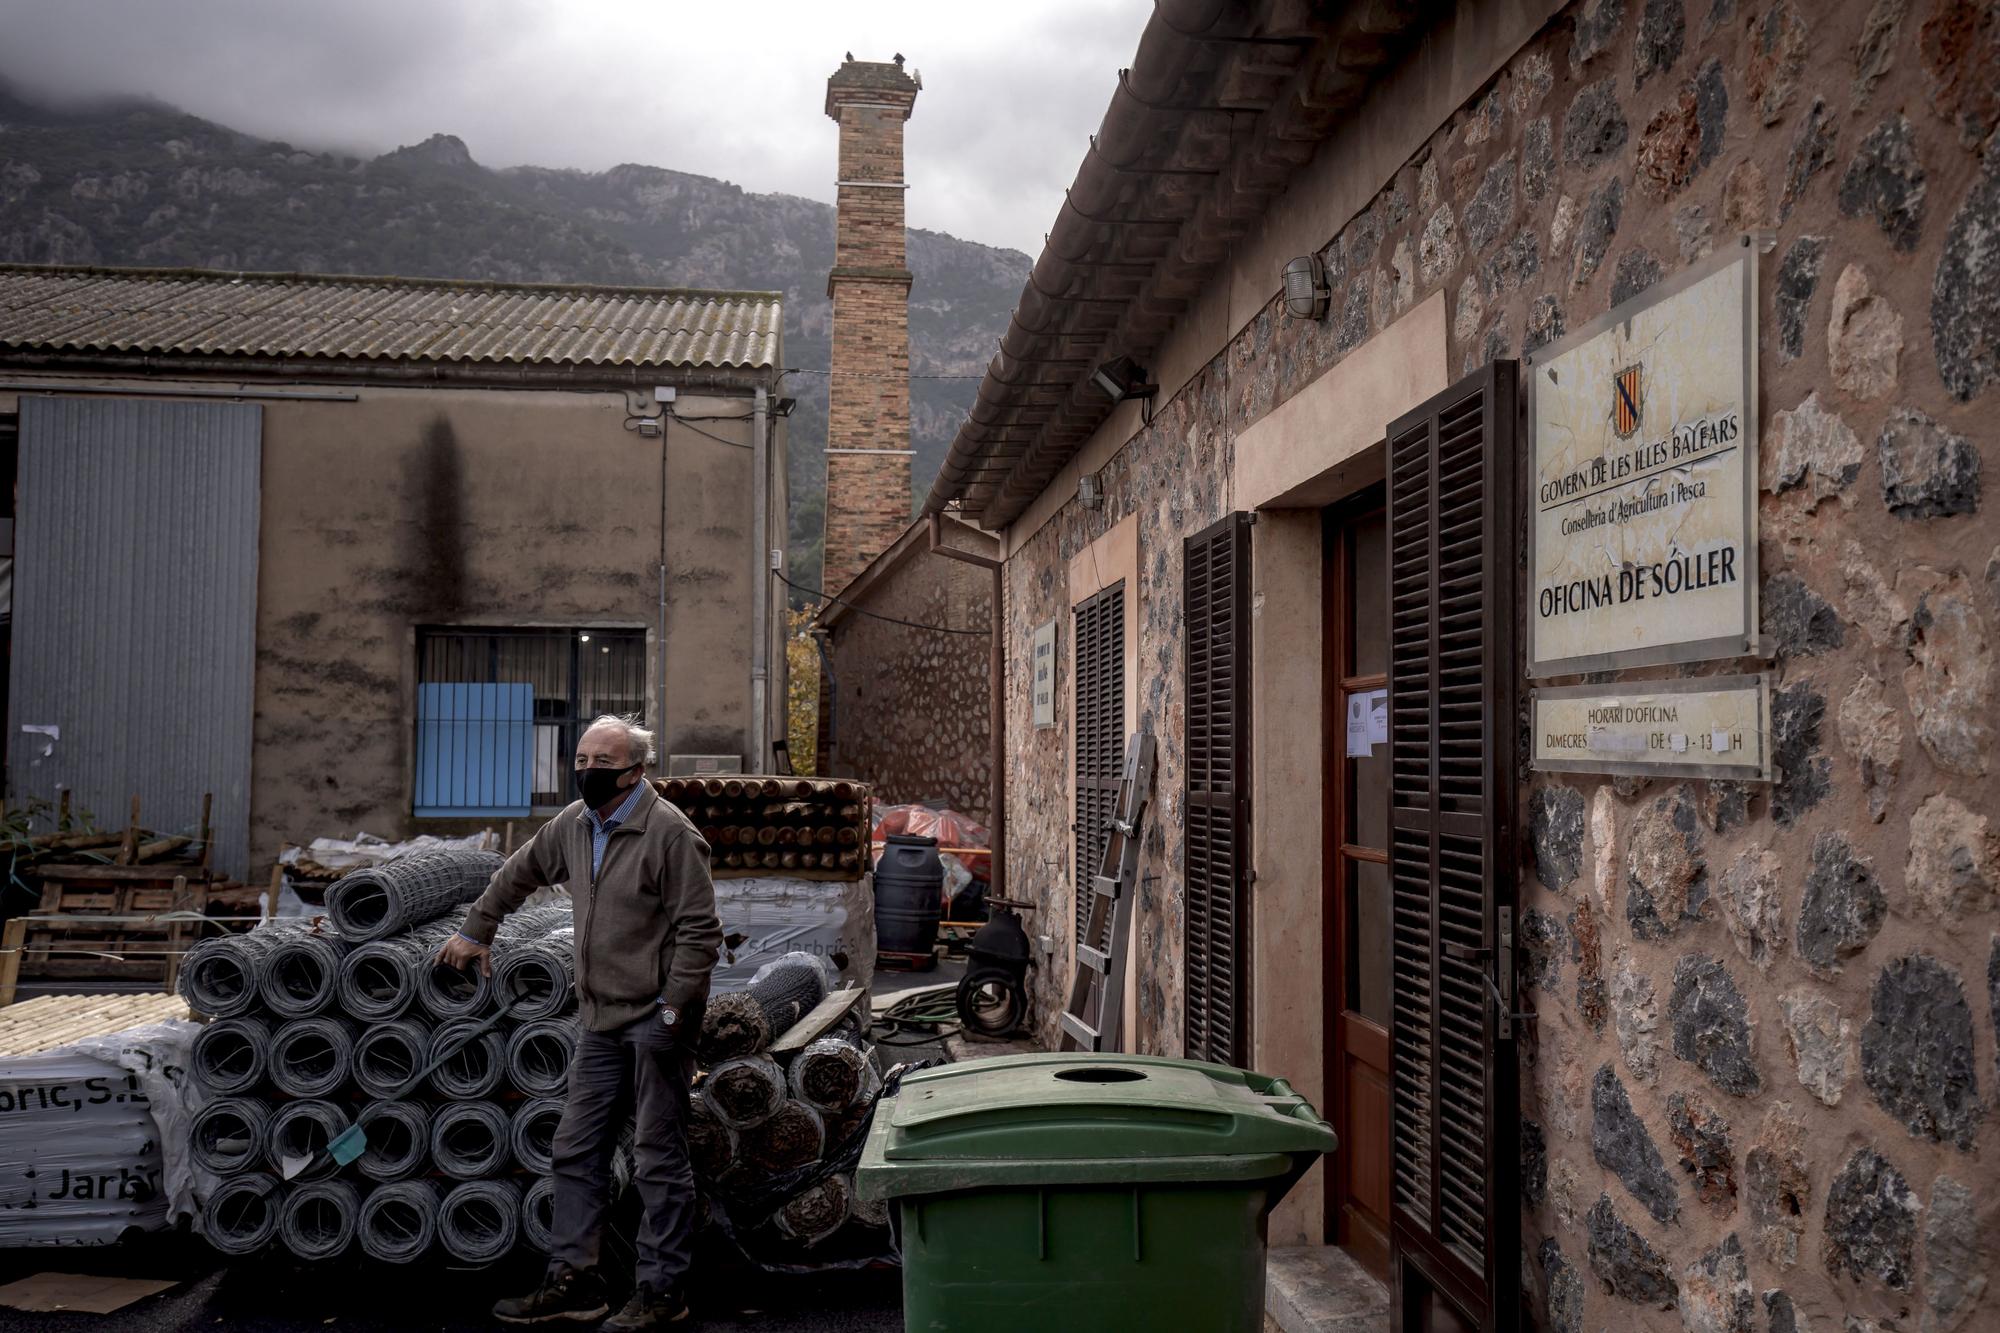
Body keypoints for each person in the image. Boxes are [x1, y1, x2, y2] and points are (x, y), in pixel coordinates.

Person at [438, 713, 722, 1330]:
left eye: (603, 764)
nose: (589, 773)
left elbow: (701, 934)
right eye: (582, 762)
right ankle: (578, 1280)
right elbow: (517, 873)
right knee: (576, 1148)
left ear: (637, 770)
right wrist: (476, 929)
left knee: (656, 1157)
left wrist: (673, 1011)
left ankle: (662, 1292)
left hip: (655, 1019)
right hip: (600, 1019)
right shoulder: (573, 824)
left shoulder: (670, 835)